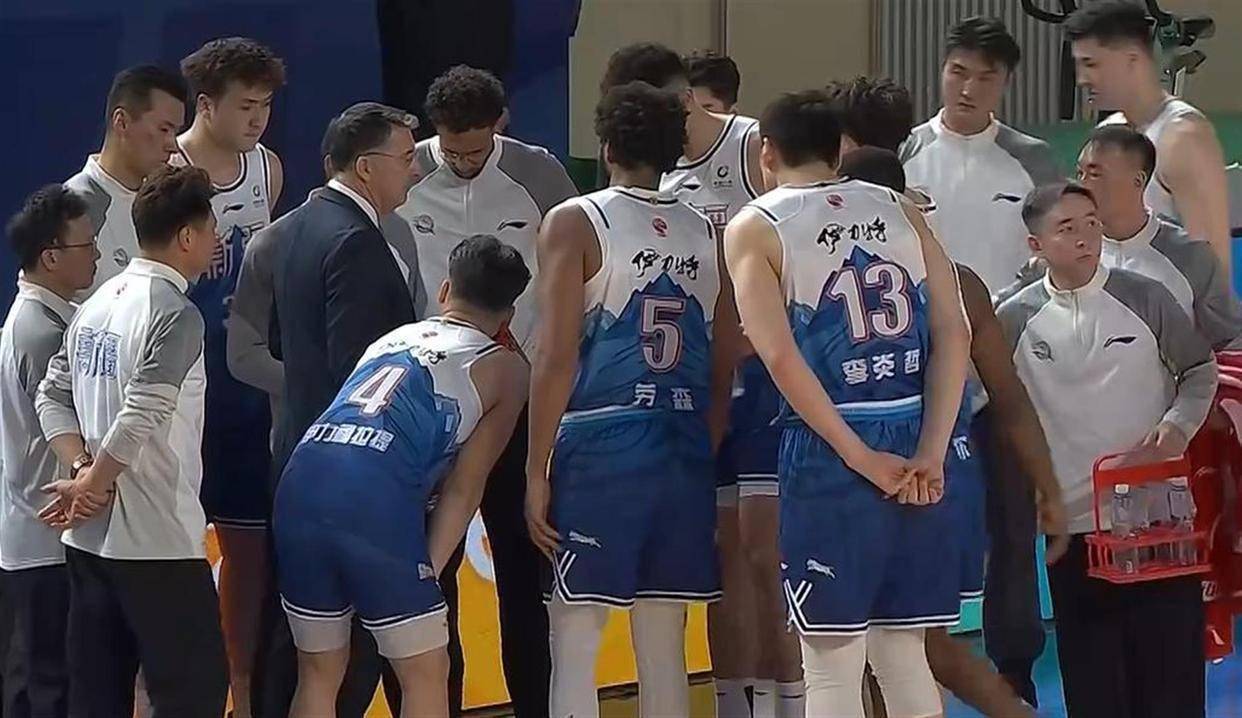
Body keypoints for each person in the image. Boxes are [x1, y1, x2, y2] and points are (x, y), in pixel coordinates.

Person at [725, 90, 971, 718]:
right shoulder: (900, 206)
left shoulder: (756, 224)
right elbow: (955, 332)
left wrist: (859, 457)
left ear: (766, 153)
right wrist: (933, 451)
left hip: (831, 444)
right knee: (902, 650)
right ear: (839, 151)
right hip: (916, 425)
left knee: (831, 663)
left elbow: (778, 356)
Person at [525, 80, 739, 718]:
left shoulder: (575, 220)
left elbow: (555, 355)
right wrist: (708, 437)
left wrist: (535, 469)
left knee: (576, 633)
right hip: (682, 439)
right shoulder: (709, 230)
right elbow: (724, 352)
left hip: (603, 439)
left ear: (607, 146)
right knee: (664, 638)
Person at [840, 148, 1064, 717]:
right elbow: (1008, 397)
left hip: (877, 470)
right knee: (907, 642)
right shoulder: (959, 280)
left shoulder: (827, 283)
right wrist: (1048, 486)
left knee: (888, 642)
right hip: (945, 473)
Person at [274, 234, 529, 718]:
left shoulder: (391, 338)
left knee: (319, 672)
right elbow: (465, 487)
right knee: (426, 670)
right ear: (509, 317)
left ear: (445, 290)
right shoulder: (507, 369)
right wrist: (426, 570)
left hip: (302, 478)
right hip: (374, 496)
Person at [598, 43, 775, 717]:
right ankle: (734, 704)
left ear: (680, 101)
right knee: (722, 561)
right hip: (694, 388)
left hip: (768, 384)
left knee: (768, 557)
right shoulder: (653, 178)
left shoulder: (751, 145)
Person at [396, 64, 576, 718]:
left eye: (475, 151)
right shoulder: (405, 172)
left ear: (499, 124)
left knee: (523, 579)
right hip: (433, 405)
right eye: (452, 151)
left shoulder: (539, 174)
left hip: (516, 399)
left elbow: (575, 278)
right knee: (432, 576)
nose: (464, 162)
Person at [999, 181, 1215, 718]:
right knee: (1094, 683)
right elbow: (993, 406)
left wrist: (1178, 426)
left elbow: (1198, 369)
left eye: (1092, 223)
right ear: (1035, 245)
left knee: (1171, 678)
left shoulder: (1147, 297)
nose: (1085, 237)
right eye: (1067, 228)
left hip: (1156, 519)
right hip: (1072, 526)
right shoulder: (1013, 318)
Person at [34, 165, 228, 718]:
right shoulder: (176, 313)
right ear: (187, 236)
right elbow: (143, 411)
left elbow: (51, 395)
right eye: (211, 228)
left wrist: (81, 470)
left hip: (88, 542)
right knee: (193, 695)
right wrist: (92, 483)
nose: (216, 240)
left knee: (97, 697)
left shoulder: (95, 304)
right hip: (158, 541)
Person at [257, 102, 418, 718]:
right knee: (345, 650)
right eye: (405, 159)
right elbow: (361, 377)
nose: (414, 172)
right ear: (366, 167)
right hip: (346, 478)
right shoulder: (355, 242)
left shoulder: (298, 226)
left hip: (296, 457)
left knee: (295, 640)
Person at [171, 37, 287, 717]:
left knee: (249, 555)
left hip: (245, 394)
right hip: (179, 393)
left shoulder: (266, 168)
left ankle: (241, 693)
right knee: (169, 562)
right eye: (245, 106)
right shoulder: (166, 169)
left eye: (265, 105)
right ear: (206, 105)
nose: (257, 119)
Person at [0, 185, 99, 718]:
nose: (98, 255)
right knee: (49, 686)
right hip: (46, 537)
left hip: (33, 530)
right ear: (51, 256)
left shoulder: (37, 319)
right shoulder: (43, 334)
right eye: (87, 245)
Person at [1067, 0, 1232, 277]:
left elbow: (1213, 263)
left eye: (1091, 64)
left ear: (1131, 60)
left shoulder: (1183, 137)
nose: (1082, 79)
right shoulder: (1107, 132)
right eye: (1079, 65)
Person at [901, 17, 1062, 295]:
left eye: (986, 78)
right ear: (942, 69)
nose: (968, 90)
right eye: (958, 72)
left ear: (1006, 82)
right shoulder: (904, 151)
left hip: (1009, 313)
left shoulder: (1034, 158)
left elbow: (1059, 239)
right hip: (925, 312)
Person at [1078, 125, 1242, 350]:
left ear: (1138, 181)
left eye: (1095, 174)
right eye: (1080, 173)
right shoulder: (1069, 252)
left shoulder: (1190, 256)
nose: (1083, 186)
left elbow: (1229, 338)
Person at [65, 65, 187, 297]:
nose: (173, 145)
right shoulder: (73, 209)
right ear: (121, 122)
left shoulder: (168, 205)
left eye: (176, 132)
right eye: (164, 129)